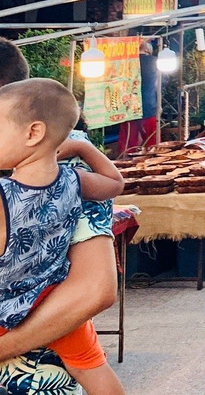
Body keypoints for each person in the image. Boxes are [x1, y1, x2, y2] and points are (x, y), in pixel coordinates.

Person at [0, 38, 121, 395]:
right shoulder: (67, 171)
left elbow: (95, 290)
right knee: (93, 368)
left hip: (37, 373)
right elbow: (115, 182)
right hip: (52, 325)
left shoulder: (65, 158)